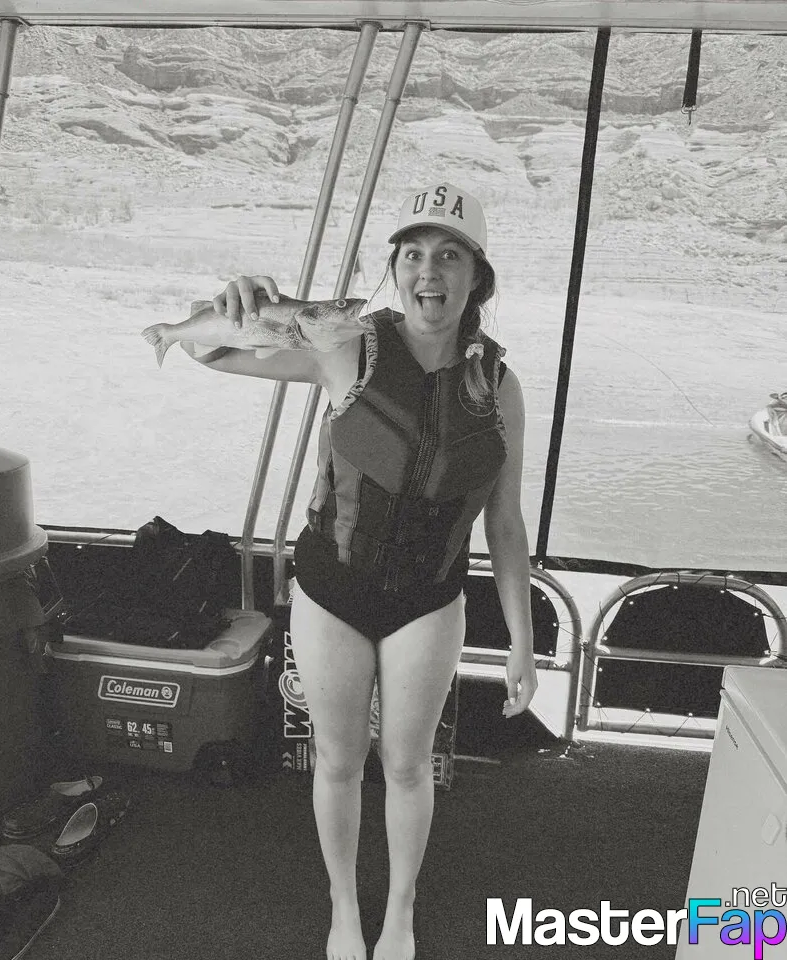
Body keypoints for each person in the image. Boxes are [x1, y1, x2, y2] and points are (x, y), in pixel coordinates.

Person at [182, 182, 537, 960]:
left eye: (449, 256)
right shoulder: (347, 345)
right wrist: (226, 306)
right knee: (338, 761)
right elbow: (209, 353)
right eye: (413, 255)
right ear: (396, 269)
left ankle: (399, 913)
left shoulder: (499, 387)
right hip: (332, 590)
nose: (428, 271)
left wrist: (521, 640)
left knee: (407, 767)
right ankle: (344, 908)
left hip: (429, 601)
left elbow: (506, 523)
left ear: (477, 276)